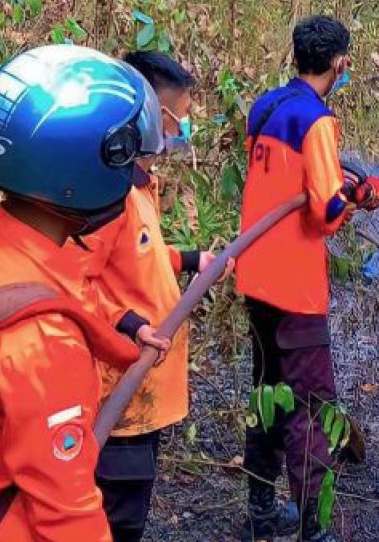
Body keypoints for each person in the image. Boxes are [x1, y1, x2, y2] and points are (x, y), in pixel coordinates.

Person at [0, 45, 171, 541]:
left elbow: (66, 290)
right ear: (83, 173)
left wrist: (127, 335)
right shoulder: (46, 346)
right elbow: (68, 513)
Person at [234, 15, 379, 542]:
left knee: (268, 394)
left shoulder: (267, 106)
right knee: (312, 409)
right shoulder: (317, 120)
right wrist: (359, 196)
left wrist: (335, 177)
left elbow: (284, 181)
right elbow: (323, 213)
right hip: (295, 288)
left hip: (255, 277)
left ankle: (260, 510)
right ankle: (314, 529)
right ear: (339, 62)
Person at [83, 50, 238, 542]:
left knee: (133, 504)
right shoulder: (107, 195)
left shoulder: (140, 183)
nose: (183, 129)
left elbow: (138, 256)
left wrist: (194, 260)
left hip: (145, 387)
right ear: (147, 112)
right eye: (178, 118)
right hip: (118, 391)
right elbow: (74, 283)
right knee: (116, 516)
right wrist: (130, 326)